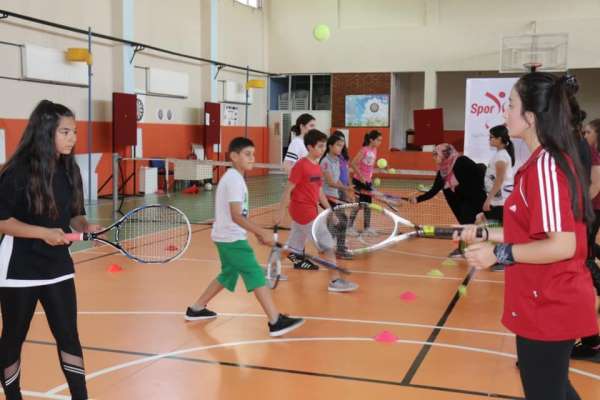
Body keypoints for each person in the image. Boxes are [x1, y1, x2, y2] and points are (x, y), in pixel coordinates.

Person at [459, 73, 598, 400]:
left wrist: (499, 254)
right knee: (557, 390)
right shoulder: (538, 163)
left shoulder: (546, 166)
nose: (505, 112)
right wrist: (485, 232)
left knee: (547, 392)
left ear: (531, 117)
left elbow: (563, 244)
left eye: (510, 105)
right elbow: (529, 231)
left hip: (550, 303)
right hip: (541, 299)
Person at [0, 100, 100, 400]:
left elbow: (74, 214)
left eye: (74, 131)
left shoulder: (70, 170)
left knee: (69, 335)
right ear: (46, 132)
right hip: (18, 269)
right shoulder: (16, 172)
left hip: (57, 267)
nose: (73, 138)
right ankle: (13, 395)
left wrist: (84, 225)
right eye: (65, 132)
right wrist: (43, 233)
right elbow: (2, 221)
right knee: (14, 337)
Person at [185, 137, 304, 337]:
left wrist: (255, 232)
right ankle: (275, 321)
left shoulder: (236, 178)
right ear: (234, 156)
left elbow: (240, 215)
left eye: (253, 154)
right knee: (255, 274)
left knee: (227, 275)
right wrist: (260, 231)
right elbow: (235, 214)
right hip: (231, 239)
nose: (252, 158)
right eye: (247, 154)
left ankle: (196, 309)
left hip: (229, 236)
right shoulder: (233, 179)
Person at [276, 129, 358, 292]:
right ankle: (335, 281)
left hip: (309, 209)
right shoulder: (301, 165)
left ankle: (271, 269)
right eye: (319, 147)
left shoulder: (317, 167)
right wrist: (280, 213)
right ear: (309, 147)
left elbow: (319, 192)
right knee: (327, 244)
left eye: (323, 146)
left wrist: (330, 211)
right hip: (303, 210)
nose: (322, 150)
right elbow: (288, 189)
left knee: (293, 247)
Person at [410, 143, 486, 258]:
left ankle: (468, 249)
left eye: (436, 155)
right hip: (458, 202)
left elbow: (480, 171)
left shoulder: (462, 161)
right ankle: (465, 248)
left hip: (473, 198)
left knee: (470, 224)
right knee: (465, 224)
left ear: (445, 154)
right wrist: (417, 199)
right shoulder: (442, 171)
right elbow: (434, 190)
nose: (434, 158)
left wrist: (483, 200)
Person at [571, 118, 600, 362]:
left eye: (589, 131)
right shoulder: (583, 149)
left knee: (585, 261)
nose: (585, 134)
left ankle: (591, 342)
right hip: (586, 214)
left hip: (589, 213)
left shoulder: (589, 152)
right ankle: (590, 340)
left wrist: (579, 211)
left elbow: (595, 184)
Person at [320, 134, 354, 258]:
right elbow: (330, 182)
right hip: (326, 197)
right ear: (330, 146)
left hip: (335, 196)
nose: (341, 148)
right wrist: (346, 188)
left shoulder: (337, 160)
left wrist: (347, 191)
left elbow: (337, 180)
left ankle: (330, 246)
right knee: (341, 221)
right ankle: (337, 249)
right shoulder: (325, 162)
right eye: (338, 145)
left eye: (342, 145)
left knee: (339, 222)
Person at [348, 130, 383, 236]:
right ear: (371, 140)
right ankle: (349, 227)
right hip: (358, 182)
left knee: (368, 205)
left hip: (367, 182)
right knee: (358, 205)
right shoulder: (364, 150)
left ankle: (367, 228)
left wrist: (371, 177)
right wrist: (361, 176)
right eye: (378, 140)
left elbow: (369, 167)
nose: (380, 142)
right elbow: (353, 163)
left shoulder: (375, 150)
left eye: (381, 140)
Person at [331, 130, 352, 201]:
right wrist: (344, 190)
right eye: (338, 142)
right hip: (337, 188)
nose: (341, 143)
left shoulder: (344, 155)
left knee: (342, 210)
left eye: (342, 141)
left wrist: (350, 185)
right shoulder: (332, 157)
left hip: (344, 186)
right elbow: (334, 176)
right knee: (337, 210)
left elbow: (347, 171)